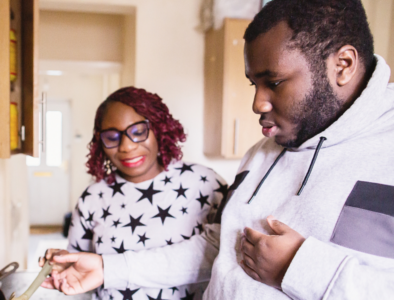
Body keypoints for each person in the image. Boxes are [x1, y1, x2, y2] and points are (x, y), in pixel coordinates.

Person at [42, 0, 394, 299]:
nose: (257, 104)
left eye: (273, 82)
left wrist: (299, 268)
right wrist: (108, 267)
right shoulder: (262, 153)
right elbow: (220, 247)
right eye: (253, 83)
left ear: (343, 65)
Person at [40, 87, 227, 300]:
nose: (127, 146)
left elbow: (226, 257)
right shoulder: (92, 198)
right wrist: (63, 264)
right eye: (112, 136)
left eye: (138, 132)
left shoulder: (205, 184)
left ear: (159, 129)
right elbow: (80, 268)